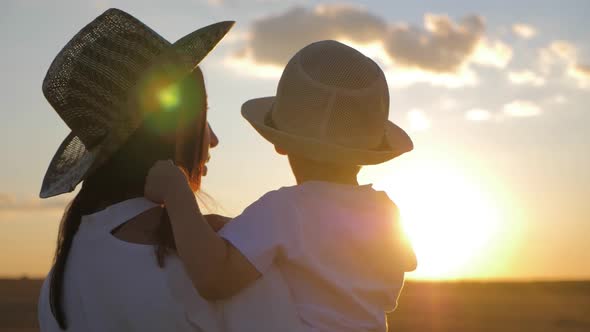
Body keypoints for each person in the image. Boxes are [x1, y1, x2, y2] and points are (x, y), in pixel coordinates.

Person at [37, 8, 300, 332]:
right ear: (169, 128)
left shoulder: (55, 287)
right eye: (202, 116)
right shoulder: (223, 268)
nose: (213, 140)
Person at [145, 40, 418, 332]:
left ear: (279, 143)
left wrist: (178, 194)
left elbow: (214, 279)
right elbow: (398, 262)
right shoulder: (386, 212)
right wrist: (242, 230)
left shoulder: (284, 209)